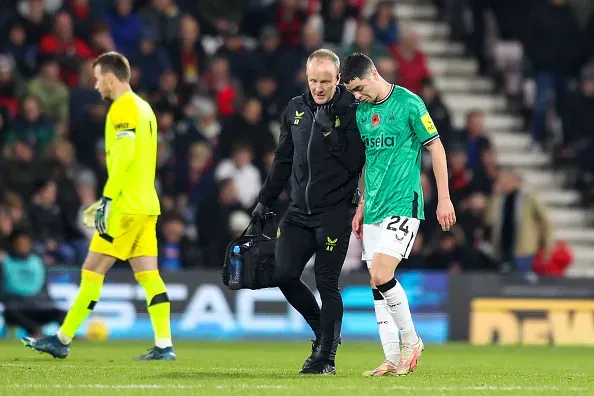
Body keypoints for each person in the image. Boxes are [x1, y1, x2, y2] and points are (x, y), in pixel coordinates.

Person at [21, 52, 174, 361]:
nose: (94, 86)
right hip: (146, 206)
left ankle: (62, 339)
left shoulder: (122, 108)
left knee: (91, 271)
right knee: (149, 276)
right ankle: (164, 344)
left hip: (125, 206)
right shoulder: (145, 108)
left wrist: (107, 198)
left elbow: (126, 154)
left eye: (96, 78)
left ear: (109, 77)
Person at [341, 53, 456, 376]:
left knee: (380, 273)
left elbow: (436, 147)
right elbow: (369, 161)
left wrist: (444, 198)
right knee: (376, 284)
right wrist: (362, 203)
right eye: (352, 92)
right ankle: (392, 359)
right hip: (374, 205)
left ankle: (411, 340)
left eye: (360, 88)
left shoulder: (409, 103)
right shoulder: (363, 113)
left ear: (374, 74)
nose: (358, 96)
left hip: (404, 202)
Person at [252, 49, 365, 375]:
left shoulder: (353, 110)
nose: (318, 87)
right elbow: (283, 159)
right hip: (299, 212)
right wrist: (265, 201)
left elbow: (355, 162)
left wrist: (330, 132)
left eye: (325, 81)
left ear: (338, 79)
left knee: (326, 281)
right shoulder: (296, 108)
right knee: (282, 274)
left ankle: (325, 358)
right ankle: (324, 332)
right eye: (313, 80)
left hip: (335, 212)